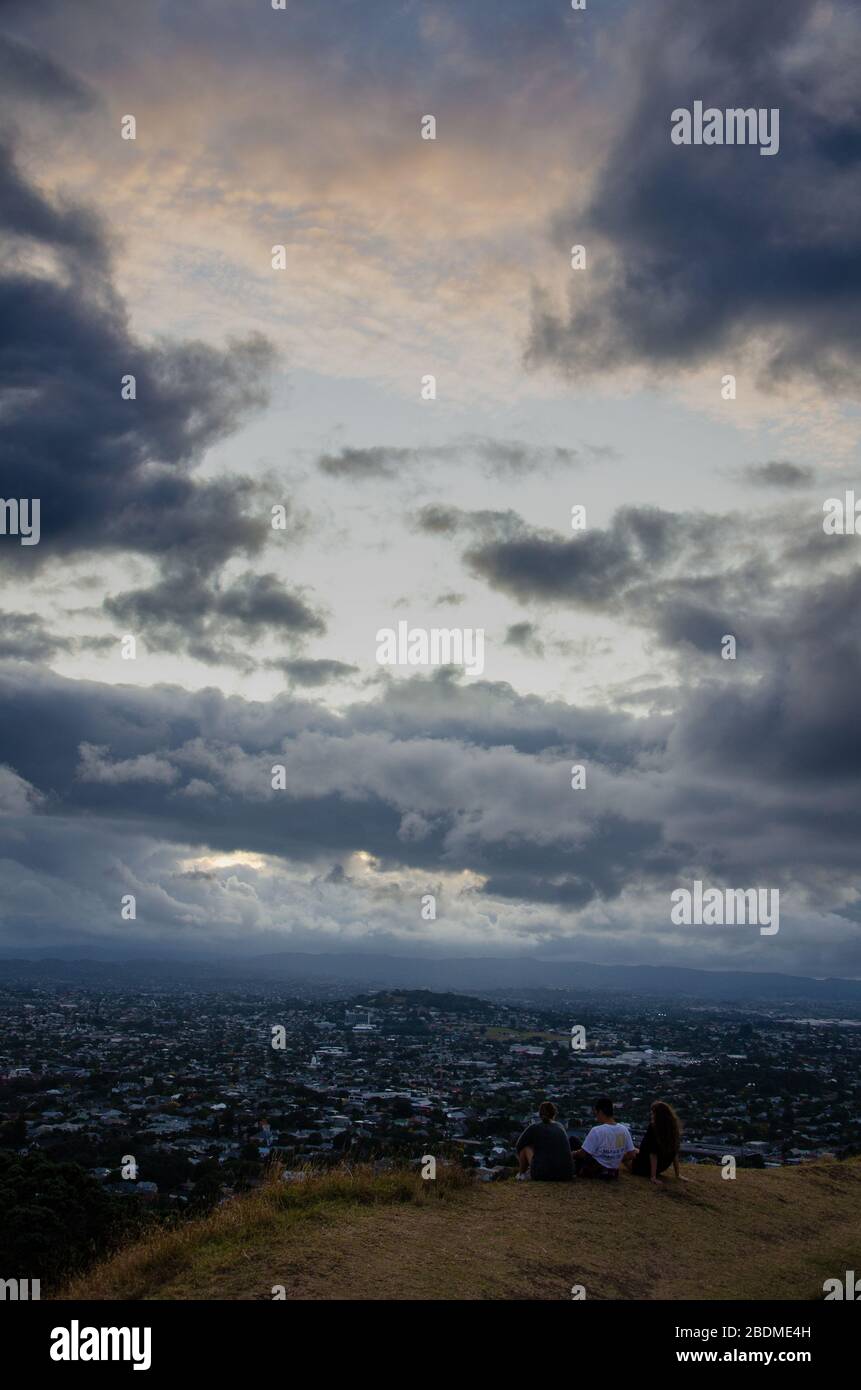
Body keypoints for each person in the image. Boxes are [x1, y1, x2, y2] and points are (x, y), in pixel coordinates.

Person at [570, 1097, 635, 1180]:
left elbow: (582, 1154)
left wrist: (572, 1154)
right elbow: (632, 1154)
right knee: (576, 1142)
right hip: (613, 1172)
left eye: (596, 1113)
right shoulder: (624, 1129)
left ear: (600, 1112)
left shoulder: (597, 1130)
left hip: (596, 1170)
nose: (596, 1116)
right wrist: (615, 1158)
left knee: (573, 1140)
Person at [630, 1100, 688, 1184]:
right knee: (634, 1150)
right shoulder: (673, 1128)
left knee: (625, 1153)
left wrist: (653, 1177)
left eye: (653, 1113)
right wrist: (677, 1174)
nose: (652, 1115)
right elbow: (675, 1152)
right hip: (661, 1167)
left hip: (643, 1168)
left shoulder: (654, 1128)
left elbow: (653, 1153)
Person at [515, 1100, 574, 1181]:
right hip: (566, 1174)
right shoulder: (560, 1126)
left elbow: (519, 1146)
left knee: (525, 1148)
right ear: (554, 1114)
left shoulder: (534, 1127)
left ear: (539, 1114)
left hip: (543, 1174)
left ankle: (521, 1174)